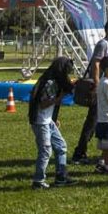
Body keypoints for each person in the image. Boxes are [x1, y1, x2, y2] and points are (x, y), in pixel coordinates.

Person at [72, 19, 108, 164]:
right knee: (93, 121)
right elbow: (95, 63)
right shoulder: (103, 44)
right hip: (101, 89)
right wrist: (97, 85)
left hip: (107, 87)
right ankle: (79, 153)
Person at [28, 57, 78, 190]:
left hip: (48, 121)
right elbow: (43, 104)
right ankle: (38, 181)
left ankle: (61, 176)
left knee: (61, 146)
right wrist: (59, 98)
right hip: (40, 122)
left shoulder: (54, 80)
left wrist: (53, 119)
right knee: (45, 151)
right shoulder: (50, 83)